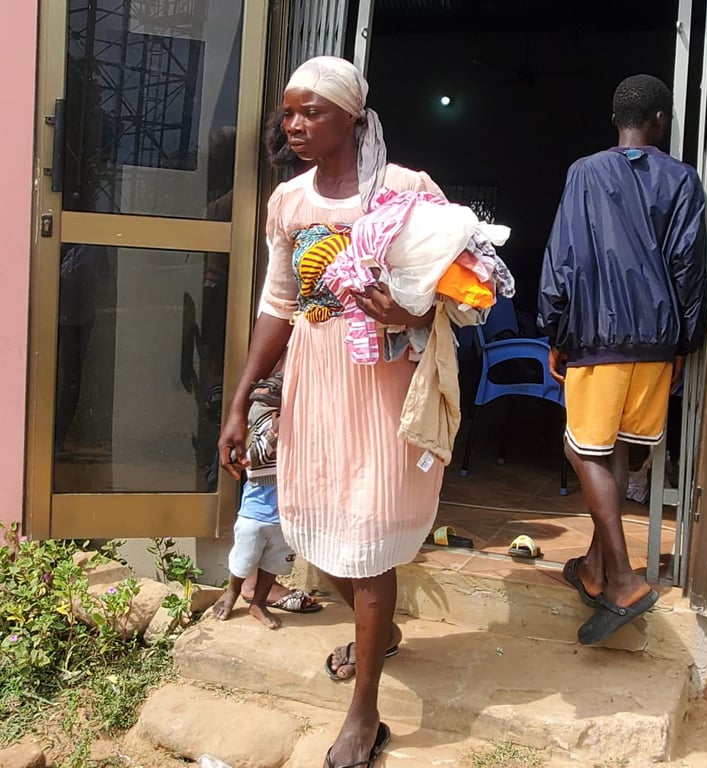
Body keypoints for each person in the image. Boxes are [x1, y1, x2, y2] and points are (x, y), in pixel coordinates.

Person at [218, 56, 446, 767]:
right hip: (315, 380)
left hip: (381, 385)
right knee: (315, 528)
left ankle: (364, 712)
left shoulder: (405, 191)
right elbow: (277, 305)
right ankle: (386, 635)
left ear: (353, 117)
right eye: (289, 113)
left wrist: (409, 309)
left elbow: (463, 290)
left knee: (370, 534)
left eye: (312, 112)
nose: (295, 126)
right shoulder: (289, 201)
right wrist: (240, 400)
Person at [538, 74, 707, 645]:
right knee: (616, 451)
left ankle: (623, 580)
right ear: (660, 120)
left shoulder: (585, 172)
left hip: (599, 337)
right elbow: (689, 266)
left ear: (618, 120)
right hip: (657, 342)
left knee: (580, 448)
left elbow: (562, 256)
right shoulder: (683, 178)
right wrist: (684, 342)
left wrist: (555, 331)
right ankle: (593, 570)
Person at [213, 372, 321, 627]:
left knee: (275, 560)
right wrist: (274, 432)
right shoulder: (261, 422)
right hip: (257, 511)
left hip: (287, 510)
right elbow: (248, 459)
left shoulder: (299, 422)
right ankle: (232, 593)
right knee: (244, 557)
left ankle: (259, 603)